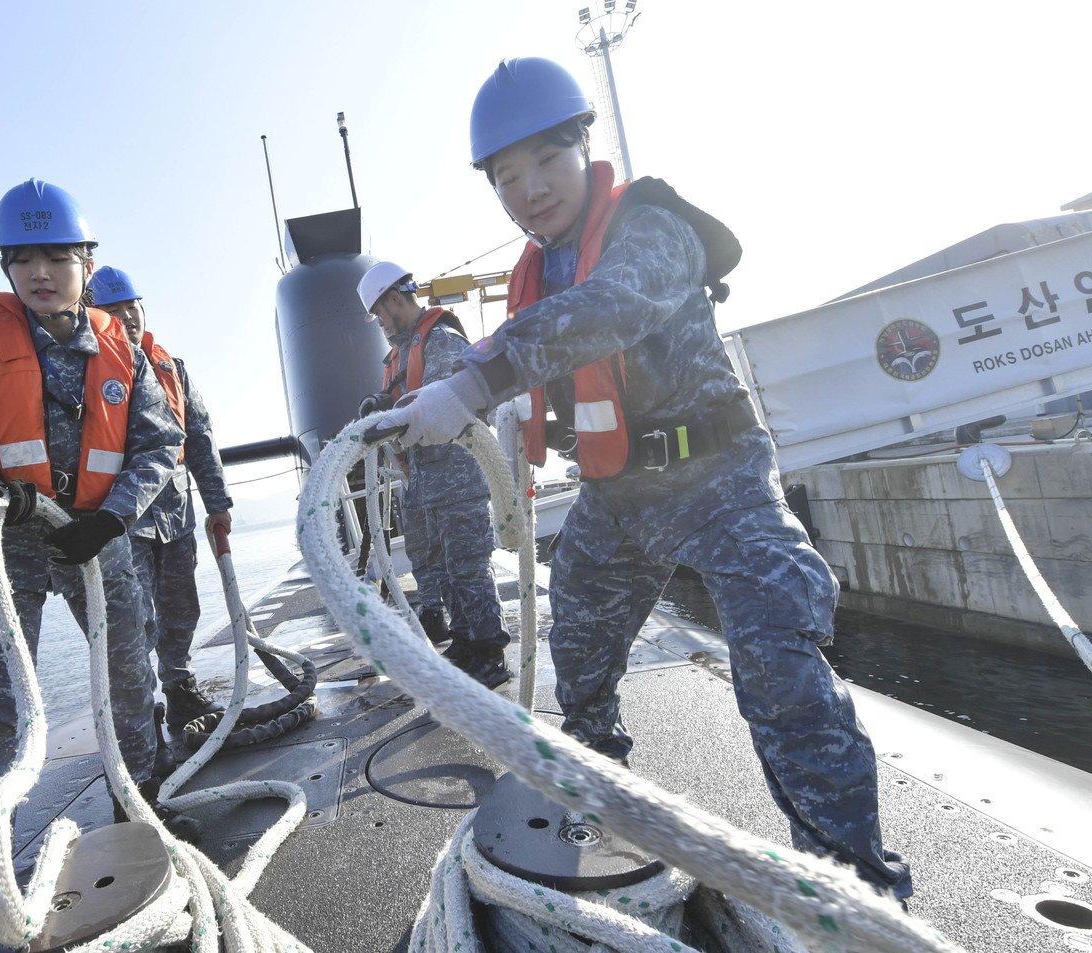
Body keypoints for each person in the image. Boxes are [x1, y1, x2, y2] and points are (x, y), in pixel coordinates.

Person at [375, 57, 912, 900]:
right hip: (617, 495)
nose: (530, 191)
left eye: (546, 164)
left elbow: (611, 307)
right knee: (579, 655)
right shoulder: (537, 271)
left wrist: (477, 377)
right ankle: (600, 797)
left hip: (718, 480)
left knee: (781, 672)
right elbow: (559, 344)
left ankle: (854, 891)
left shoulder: (651, 224)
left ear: (584, 147)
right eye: (508, 178)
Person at [0, 179, 183, 909]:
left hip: (102, 543)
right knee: (3, 706)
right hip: (12, 550)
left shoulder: (121, 351)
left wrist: (115, 515)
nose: (41, 273)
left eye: (58, 257)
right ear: (6, 266)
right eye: (25, 258)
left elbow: (161, 444)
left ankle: (142, 811)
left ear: (85, 261)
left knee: (133, 679)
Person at [88, 265, 231, 739]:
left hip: (175, 517)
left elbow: (201, 438)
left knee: (180, 608)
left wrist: (217, 503)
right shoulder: (88, 370)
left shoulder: (173, 367)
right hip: (121, 522)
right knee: (132, 621)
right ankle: (140, 711)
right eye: (113, 309)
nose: (127, 316)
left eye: (132, 306)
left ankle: (180, 686)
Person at [356, 260, 511, 689]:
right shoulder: (403, 352)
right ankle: (464, 641)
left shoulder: (440, 340)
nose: (381, 324)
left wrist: (395, 415)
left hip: (459, 478)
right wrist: (378, 401)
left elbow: (449, 401)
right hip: (428, 484)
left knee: (469, 567)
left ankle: (490, 653)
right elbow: (400, 395)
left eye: (380, 314)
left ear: (393, 300)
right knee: (447, 566)